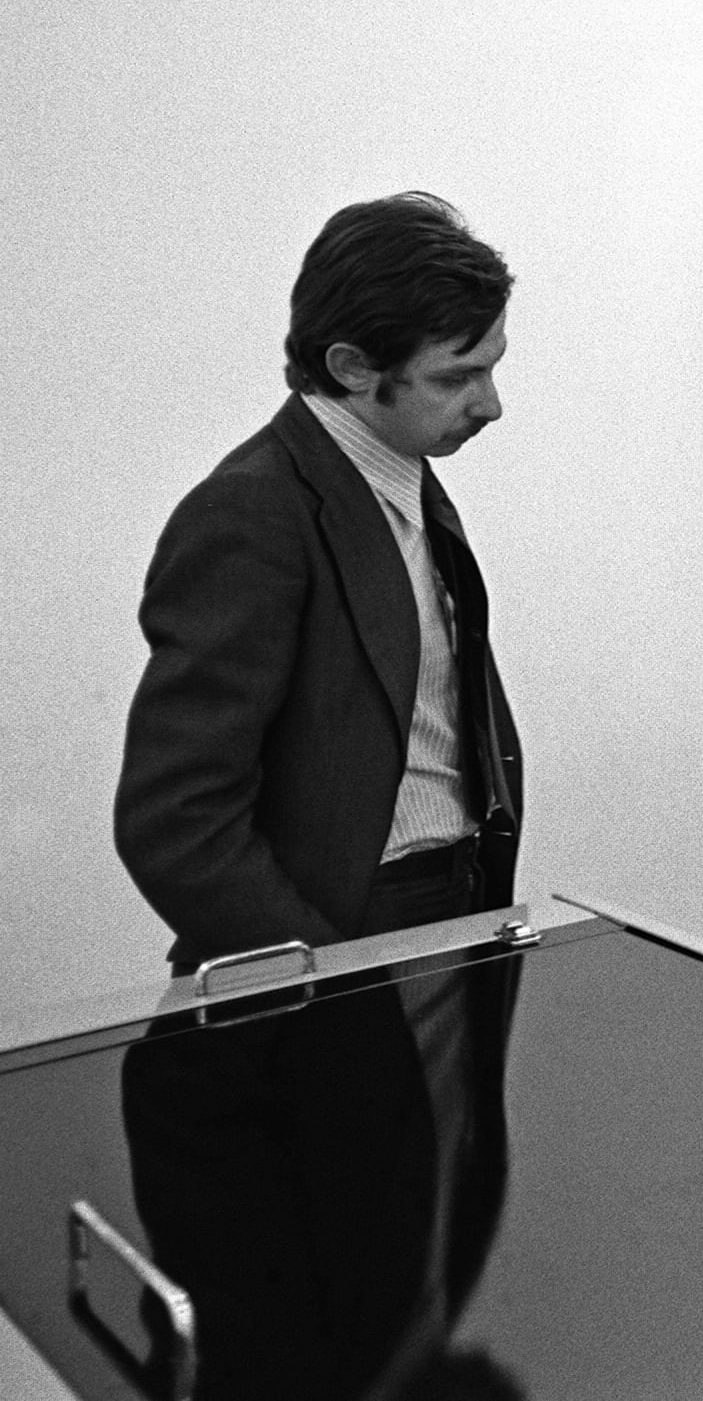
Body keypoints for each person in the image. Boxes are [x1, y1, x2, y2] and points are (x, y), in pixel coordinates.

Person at [115, 192, 524, 970]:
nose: (491, 404)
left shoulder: (400, 469)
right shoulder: (250, 513)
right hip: (337, 936)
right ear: (351, 367)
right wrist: (324, 974)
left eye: (494, 365)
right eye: (457, 375)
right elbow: (174, 821)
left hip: (453, 911)